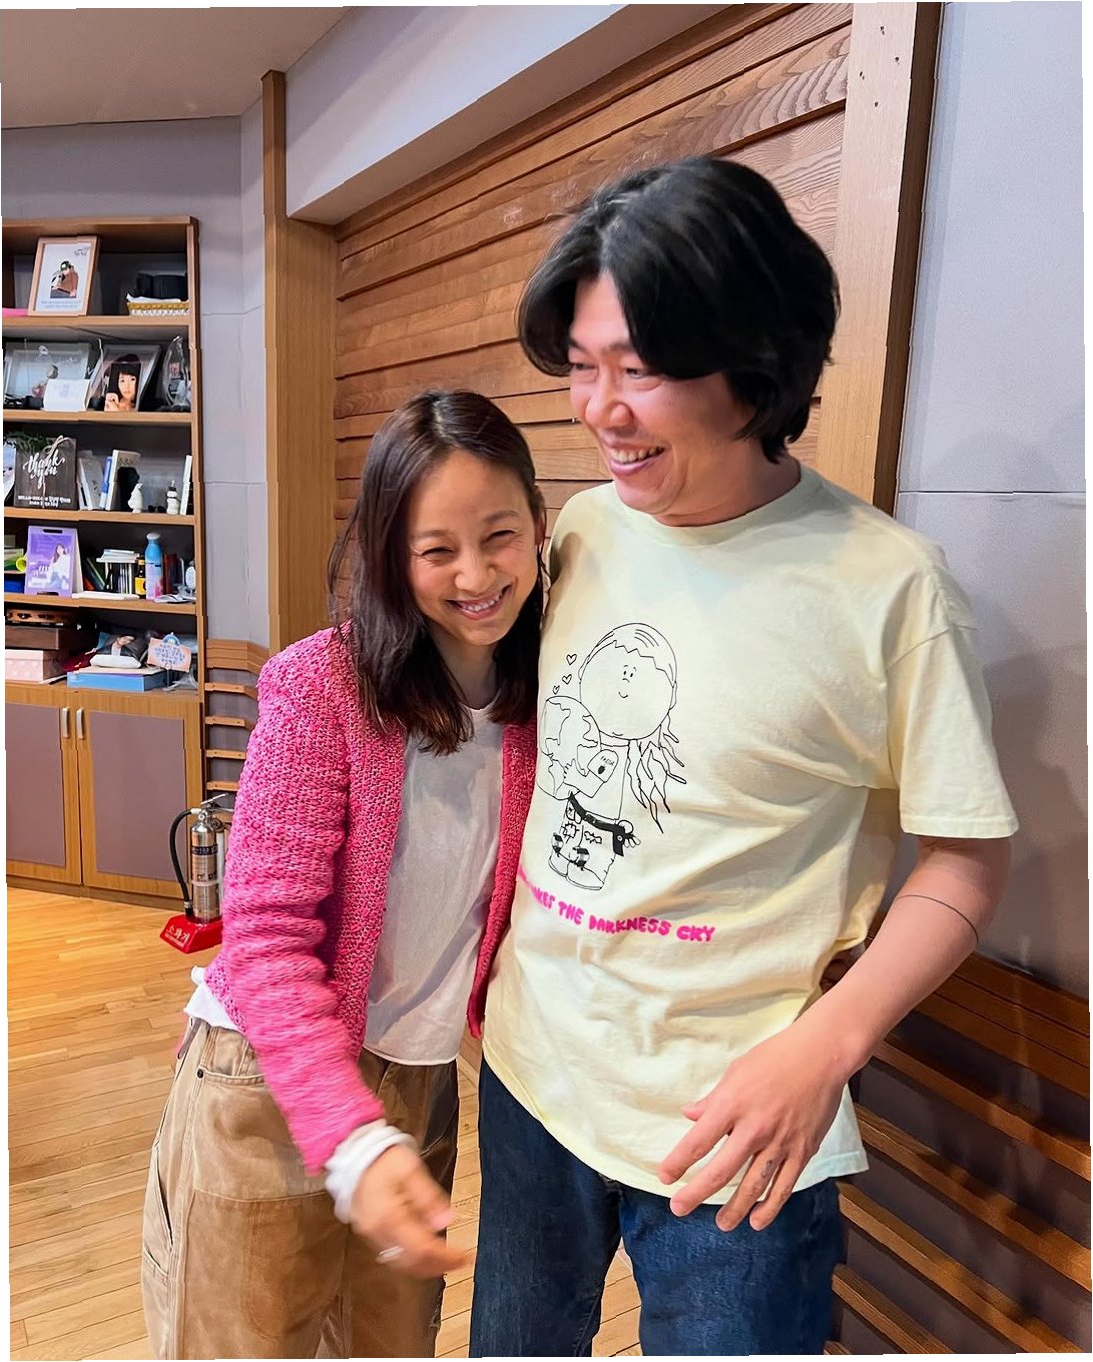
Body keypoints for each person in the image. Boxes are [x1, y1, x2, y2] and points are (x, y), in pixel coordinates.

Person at [469, 156, 1018, 1357]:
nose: (599, 410)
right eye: (581, 367)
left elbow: (964, 859)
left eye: (640, 370)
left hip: (738, 1130)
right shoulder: (582, 529)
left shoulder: (888, 588)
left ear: (754, 364)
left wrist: (825, 1048)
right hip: (532, 1066)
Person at [141, 389, 545, 1359]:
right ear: (390, 557)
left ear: (538, 524)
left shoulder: (547, 691)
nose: (476, 574)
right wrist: (350, 1135)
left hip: (419, 1081)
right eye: (436, 550)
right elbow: (266, 940)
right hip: (269, 1079)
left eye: (499, 535)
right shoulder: (319, 685)